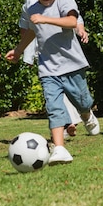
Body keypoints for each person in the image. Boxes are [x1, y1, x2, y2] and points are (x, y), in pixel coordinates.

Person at [5, 0, 100, 165]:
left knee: (82, 101)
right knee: (54, 108)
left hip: (72, 64)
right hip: (48, 67)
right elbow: (32, 31)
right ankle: (59, 148)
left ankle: (86, 114)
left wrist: (46, 19)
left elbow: (72, 22)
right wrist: (19, 50)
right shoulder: (32, 8)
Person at [22, 11, 89, 139]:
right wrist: (27, 54)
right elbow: (27, 28)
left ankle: (77, 117)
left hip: (67, 56)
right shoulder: (29, 3)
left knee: (73, 94)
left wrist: (81, 30)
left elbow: (75, 19)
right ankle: (65, 126)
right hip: (46, 58)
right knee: (54, 95)